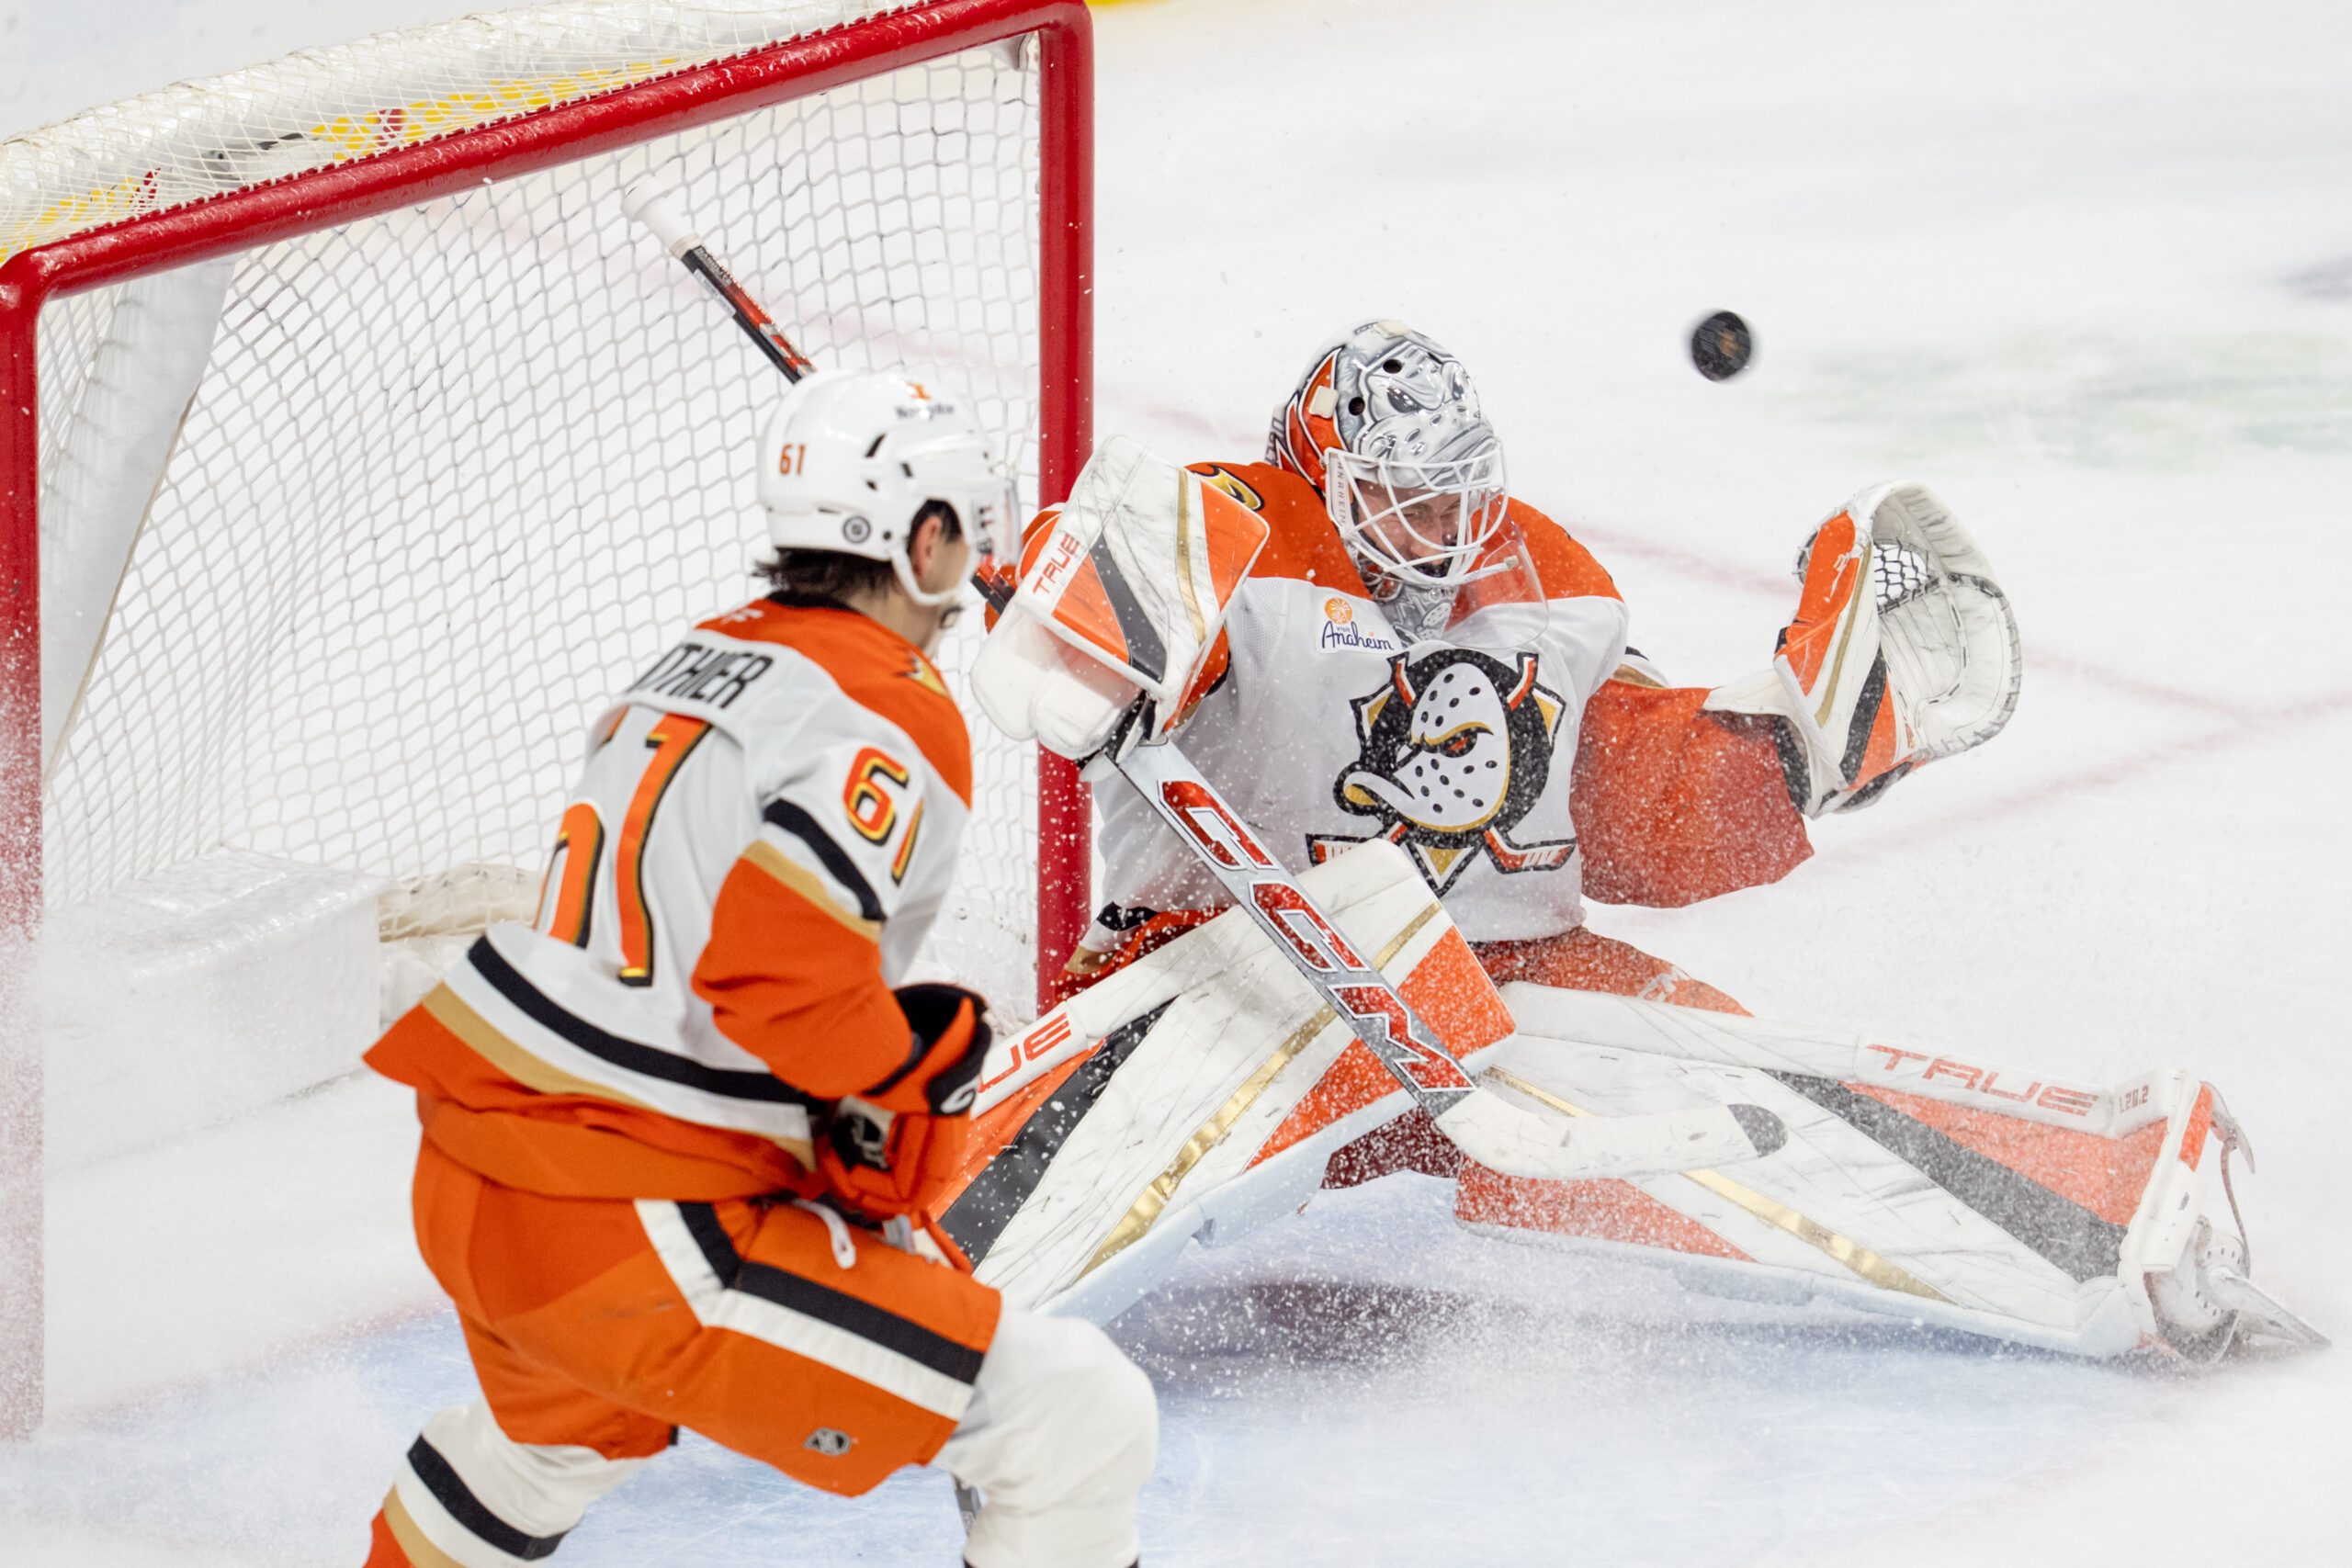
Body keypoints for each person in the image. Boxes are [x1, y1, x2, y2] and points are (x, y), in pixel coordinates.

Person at [361, 370, 1156, 1568]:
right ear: (924, 541)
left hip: (481, 1181)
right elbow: (776, 982)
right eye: (967, 527)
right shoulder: (884, 706)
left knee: (547, 1445)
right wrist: (906, 1070)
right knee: (1078, 1418)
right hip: (628, 1222)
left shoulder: (689, 663)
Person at [1056, 318, 1982, 1203]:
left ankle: (2014, 1221)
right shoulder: (1235, 528)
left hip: (1507, 984)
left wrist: (1783, 757)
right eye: (1408, 494)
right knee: (1093, 1194)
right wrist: (1086, 637)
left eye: (1455, 488)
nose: (1443, 523)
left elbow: (1617, 793)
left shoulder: (1545, 574)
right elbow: (1089, 576)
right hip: (1233, 978)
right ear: (1324, 477)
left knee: (1755, 1115)